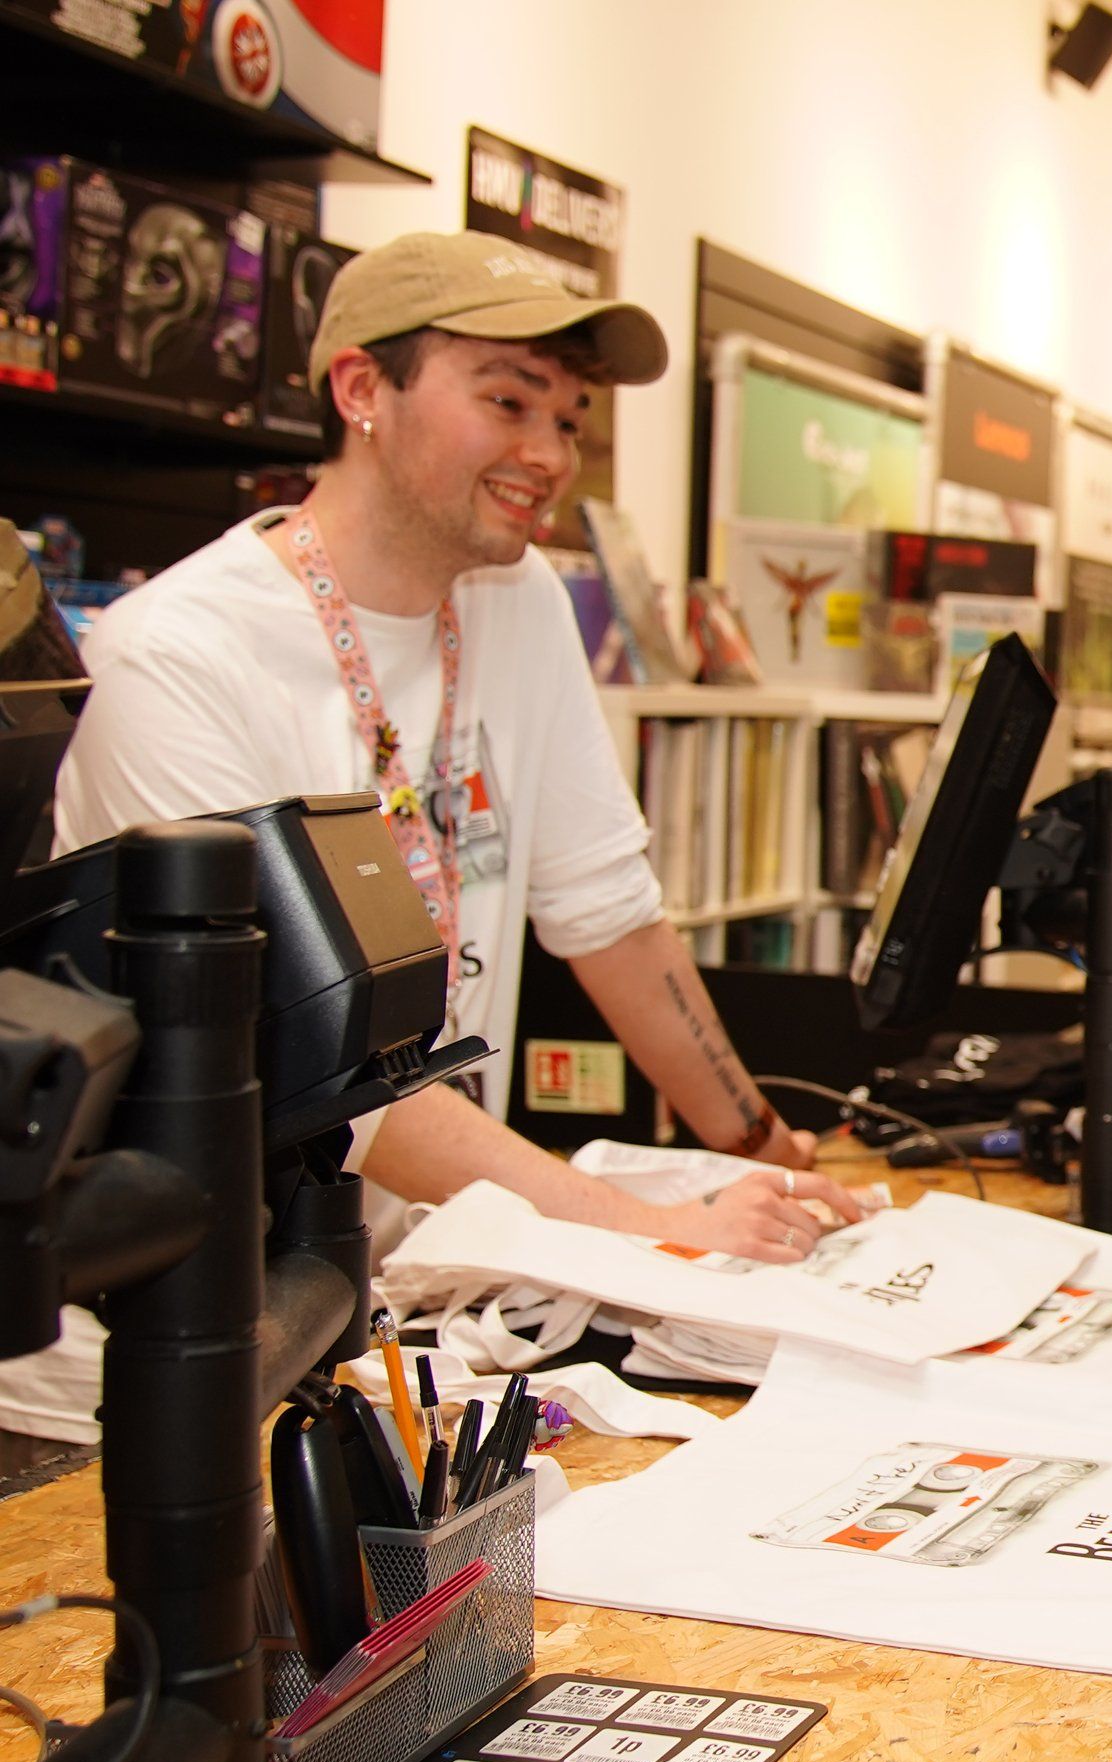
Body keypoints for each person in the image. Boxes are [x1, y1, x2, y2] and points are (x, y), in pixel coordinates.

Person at [50, 231, 857, 1263]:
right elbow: (319, 1065)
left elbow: (610, 916)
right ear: (361, 389)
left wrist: (765, 1152)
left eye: (568, 419)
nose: (552, 455)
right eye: (508, 402)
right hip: (171, 1340)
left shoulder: (516, 600)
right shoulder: (177, 658)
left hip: (395, 1290)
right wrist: (659, 1230)